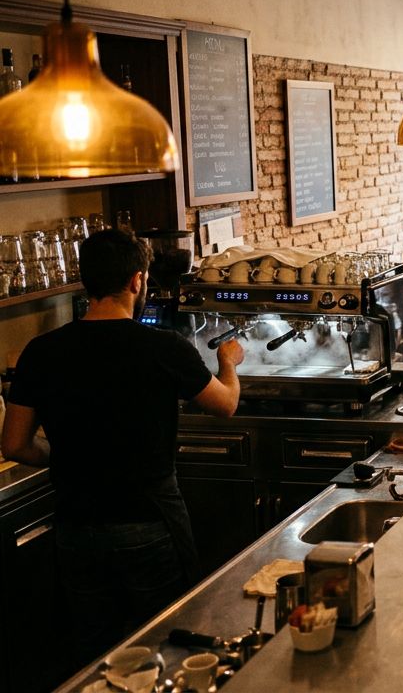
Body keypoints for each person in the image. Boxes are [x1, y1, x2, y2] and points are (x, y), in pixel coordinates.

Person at [0, 229, 244, 659]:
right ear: (137, 281)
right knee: (167, 640)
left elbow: (15, 445)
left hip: (76, 528)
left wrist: (67, 458)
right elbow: (225, 405)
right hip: (148, 522)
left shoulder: (40, 352)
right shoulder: (163, 347)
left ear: (85, 281)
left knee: (97, 653)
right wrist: (228, 363)